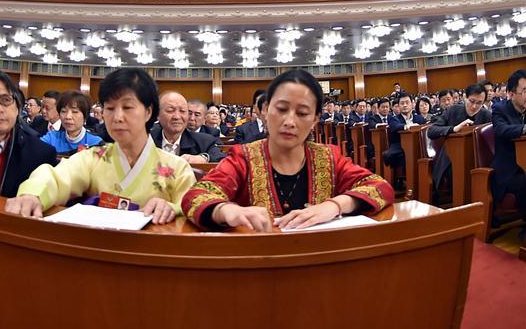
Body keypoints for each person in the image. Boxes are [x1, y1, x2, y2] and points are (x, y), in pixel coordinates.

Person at [182, 69, 394, 232]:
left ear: (315, 119)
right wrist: (226, 210)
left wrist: (335, 205)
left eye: (302, 113)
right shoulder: (243, 158)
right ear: (264, 110)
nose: (290, 121)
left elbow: (380, 187)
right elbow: (195, 197)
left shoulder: (329, 157)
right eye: (281, 109)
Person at [6, 69, 196, 224]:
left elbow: (193, 204)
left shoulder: (177, 168)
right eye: (110, 108)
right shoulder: (94, 157)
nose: (117, 117)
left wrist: (173, 208)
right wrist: (32, 195)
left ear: (148, 111)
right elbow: (56, 177)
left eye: (127, 107)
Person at [427, 84, 491, 194]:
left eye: (479, 103)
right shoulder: (453, 110)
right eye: (472, 101)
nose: (474, 106)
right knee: (459, 173)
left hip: (476, 159)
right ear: (465, 97)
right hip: (451, 159)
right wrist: (454, 129)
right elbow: (432, 131)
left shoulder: (486, 115)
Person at [491, 69, 526, 223]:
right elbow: (501, 130)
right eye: (525, 91)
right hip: (510, 171)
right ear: (511, 94)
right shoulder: (500, 109)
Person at [150, 92, 223, 163]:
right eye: (170, 111)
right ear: (157, 115)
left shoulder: (205, 141)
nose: (177, 117)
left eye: (182, 111)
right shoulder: (146, 139)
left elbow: (221, 157)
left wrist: (204, 158)